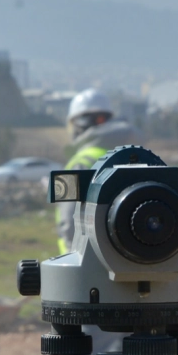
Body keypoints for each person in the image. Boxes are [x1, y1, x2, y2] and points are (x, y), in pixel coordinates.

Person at [55, 89, 141, 252]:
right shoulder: (137, 155)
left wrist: (73, 266)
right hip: (135, 260)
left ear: (78, 125)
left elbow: (68, 222)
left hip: (88, 267)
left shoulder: (77, 164)